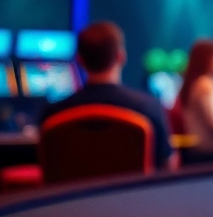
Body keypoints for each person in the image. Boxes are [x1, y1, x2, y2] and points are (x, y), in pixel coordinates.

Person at [40, 21, 174, 169]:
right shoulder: (148, 108)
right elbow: (168, 165)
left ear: (80, 60)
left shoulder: (52, 115)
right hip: (132, 192)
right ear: (121, 56)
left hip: (73, 192)